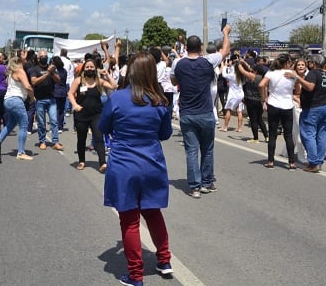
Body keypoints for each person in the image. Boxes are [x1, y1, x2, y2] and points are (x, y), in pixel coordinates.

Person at [99, 52, 174, 286]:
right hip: (152, 162)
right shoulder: (160, 101)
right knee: (153, 212)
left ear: (129, 71)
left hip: (124, 164)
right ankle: (164, 260)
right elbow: (165, 134)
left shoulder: (118, 98)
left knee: (130, 220)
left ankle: (135, 275)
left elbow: (103, 126)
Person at [171, 25, 231, 198]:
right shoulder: (208, 61)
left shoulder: (178, 63)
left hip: (187, 113)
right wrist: (225, 34)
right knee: (208, 149)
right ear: (200, 48)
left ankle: (194, 187)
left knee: (191, 150)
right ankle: (207, 182)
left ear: (187, 48)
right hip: (205, 112)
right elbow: (225, 50)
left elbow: (174, 82)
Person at [67, 57, 117, 172]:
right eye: (87, 67)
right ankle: (81, 161)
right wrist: (75, 105)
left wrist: (107, 74)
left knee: (99, 138)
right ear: (84, 68)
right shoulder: (79, 80)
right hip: (81, 115)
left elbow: (114, 86)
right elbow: (70, 93)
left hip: (96, 115)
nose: (89, 68)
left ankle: (103, 163)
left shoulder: (99, 81)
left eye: (92, 67)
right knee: (81, 138)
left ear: (95, 69)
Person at [258, 53, 297, 169]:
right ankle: (291, 162)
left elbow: (261, 85)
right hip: (288, 105)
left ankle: (270, 161)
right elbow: (298, 88)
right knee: (288, 135)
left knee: (273, 133)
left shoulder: (271, 73)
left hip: (273, 105)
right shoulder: (292, 75)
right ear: (287, 63)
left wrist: (264, 98)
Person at [296, 55, 326, 172]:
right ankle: (320, 160)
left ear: (313, 63)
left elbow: (310, 87)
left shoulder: (313, 73)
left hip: (313, 108)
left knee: (308, 135)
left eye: (309, 62)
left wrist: (297, 78)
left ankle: (313, 162)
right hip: (324, 107)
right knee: (321, 135)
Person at [0, 56, 36, 160]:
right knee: (24, 125)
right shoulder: (20, 71)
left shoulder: (10, 74)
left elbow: (7, 83)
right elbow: (28, 86)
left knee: (10, 125)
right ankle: (21, 152)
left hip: (8, 100)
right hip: (16, 100)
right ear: (20, 62)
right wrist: (32, 97)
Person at [28, 50, 64, 151]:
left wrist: (51, 73)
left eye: (45, 56)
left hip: (51, 99)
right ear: (38, 58)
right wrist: (46, 74)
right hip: (40, 99)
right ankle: (42, 141)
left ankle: (55, 141)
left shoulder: (52, 68)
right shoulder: (34, 69)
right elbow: (34, 82)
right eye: (42, 56)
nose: (44, 57)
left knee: (54, 121)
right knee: (41, 122)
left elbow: (58, 80)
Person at [238, 62, 268, 144]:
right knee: (260, 119)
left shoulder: (253, 77)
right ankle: (266, 136)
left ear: (255, 71)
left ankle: (255, 138)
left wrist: (238, 63)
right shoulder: (263, 78)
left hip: (251, 100)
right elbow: (265, 91)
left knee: (253, 120)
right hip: (259, 101)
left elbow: (242, 71)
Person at [220, 53, 245, 132]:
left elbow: (224, 74)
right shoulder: (241, 74)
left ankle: (225, 127)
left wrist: (224, 65)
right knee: (239, 111)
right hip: (240, 94)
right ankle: (239, 128)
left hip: (233, 95)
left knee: (228, 110)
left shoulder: (232, 75)